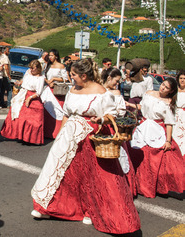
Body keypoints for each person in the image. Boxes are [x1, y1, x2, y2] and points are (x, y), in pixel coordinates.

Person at [30, 59, 140, 235]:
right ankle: (50, 207)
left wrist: (101, 119)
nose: (70, 77)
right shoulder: (73, 90)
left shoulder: (101, 91)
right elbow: (66, 114)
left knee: (92, 176)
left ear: (83, 75)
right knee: (62, 172)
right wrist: (59, 136)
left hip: (90, 137)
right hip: (70, 136)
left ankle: (90, 210)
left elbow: (111, 114)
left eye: (73, 75)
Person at [127, 78, 184, 198]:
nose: (162, 88)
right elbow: (141, 107)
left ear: (171, 91)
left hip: (157, 130)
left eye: (166, 87)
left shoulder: (169, 102)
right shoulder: (148, 93)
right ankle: (136, 184)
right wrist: (128, 104)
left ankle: (149, 186)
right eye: (163, 84)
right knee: (137, 153)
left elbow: (169, 123)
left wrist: (168, 141)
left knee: (153, 159)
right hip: (143, 127)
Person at [102, 67, 137, 196]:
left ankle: (119, 187)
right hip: (103, 125)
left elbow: (121, 111)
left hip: (113, 126)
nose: (117, 84)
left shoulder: (116, 92)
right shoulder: (101, 89)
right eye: (116, 81)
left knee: (117, 155)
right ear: (109, 78)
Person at [0, 60, 45, 144]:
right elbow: (23, 80)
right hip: (23, 94)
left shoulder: (41, 78)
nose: (31, 70)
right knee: (17, 114)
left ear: (37, 68)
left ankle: (30, 138)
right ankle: (19, 135)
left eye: (33, 68)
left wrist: (29, 98)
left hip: (32, 96)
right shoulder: (28, 72)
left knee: (31, 118)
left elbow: (38, 92)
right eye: (30, 68)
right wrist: (19, 83)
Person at [44, 49, 69, 139]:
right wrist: (48, 82)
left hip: (57, 90)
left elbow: (65, 79)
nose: (50, 57)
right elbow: (45, 77)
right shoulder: (48, 65)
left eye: (52, 55)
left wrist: (54, 79)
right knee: (46, 109)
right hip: (48, 90)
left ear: (56, 56)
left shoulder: (61, 66)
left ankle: (57, 132)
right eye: (49, 55)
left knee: (57, 111)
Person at [173, 70, 185, 158]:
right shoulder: (175, 91)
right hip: (175, 114)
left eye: (184, 78)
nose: (182, 80)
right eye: (181, 78)